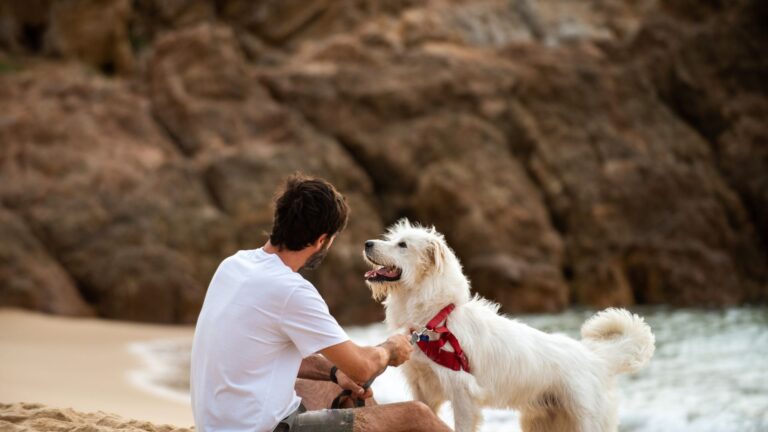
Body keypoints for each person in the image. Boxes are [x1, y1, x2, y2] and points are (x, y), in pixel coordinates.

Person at [190, 174, 452, 432]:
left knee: (337, 384)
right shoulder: (292, 291)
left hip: (217, 424)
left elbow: (259, 356)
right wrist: (390, 348)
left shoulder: (233, 265)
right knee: (416, 415)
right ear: (321, 240)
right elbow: (362, 367)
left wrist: (336, 372)